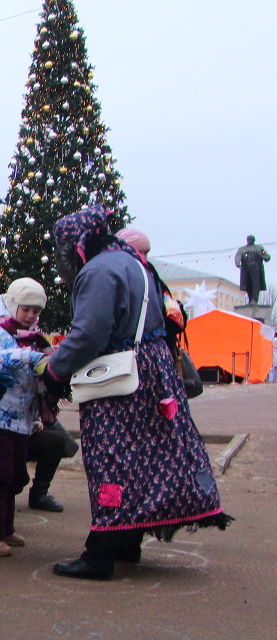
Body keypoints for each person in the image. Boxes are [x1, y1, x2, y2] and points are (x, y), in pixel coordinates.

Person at [44, 207, 232, 580]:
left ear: (79, 244)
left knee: (111, 456)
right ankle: (125, 541)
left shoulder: (99, 271)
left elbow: (90, 334)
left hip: (122, 378)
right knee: (143, 455)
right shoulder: (136, 265)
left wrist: (54, 371)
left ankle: (99, 554)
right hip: (154, 372)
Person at [0, 278, 50, 556]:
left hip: (21, 419)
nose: (30, 316)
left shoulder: (35, 337)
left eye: (36, 311)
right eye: (26, 309)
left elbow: (35, 379)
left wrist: (40, 410)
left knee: (16, 475)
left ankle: (4, 527)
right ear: (13, 305)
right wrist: (27, 356)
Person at [25, 419, 79, 512]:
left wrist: (47, 414)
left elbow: (71, 448)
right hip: (2, 434)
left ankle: (39, 494)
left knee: (56, 440)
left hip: (25, 435)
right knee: (18, 480)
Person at [234, 235, 270, 304]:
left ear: (254, 240)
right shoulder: (242, 249)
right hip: (245, 267)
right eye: (248, 239)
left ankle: (254, 298)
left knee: (255, 283)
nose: (249, 240)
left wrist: (266, 257)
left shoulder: (258, 248)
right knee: (247, 283)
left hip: (255, 267)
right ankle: (250, 298)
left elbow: (265, 254)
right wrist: (237, 263)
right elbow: (238, 256)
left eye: (251, 239)